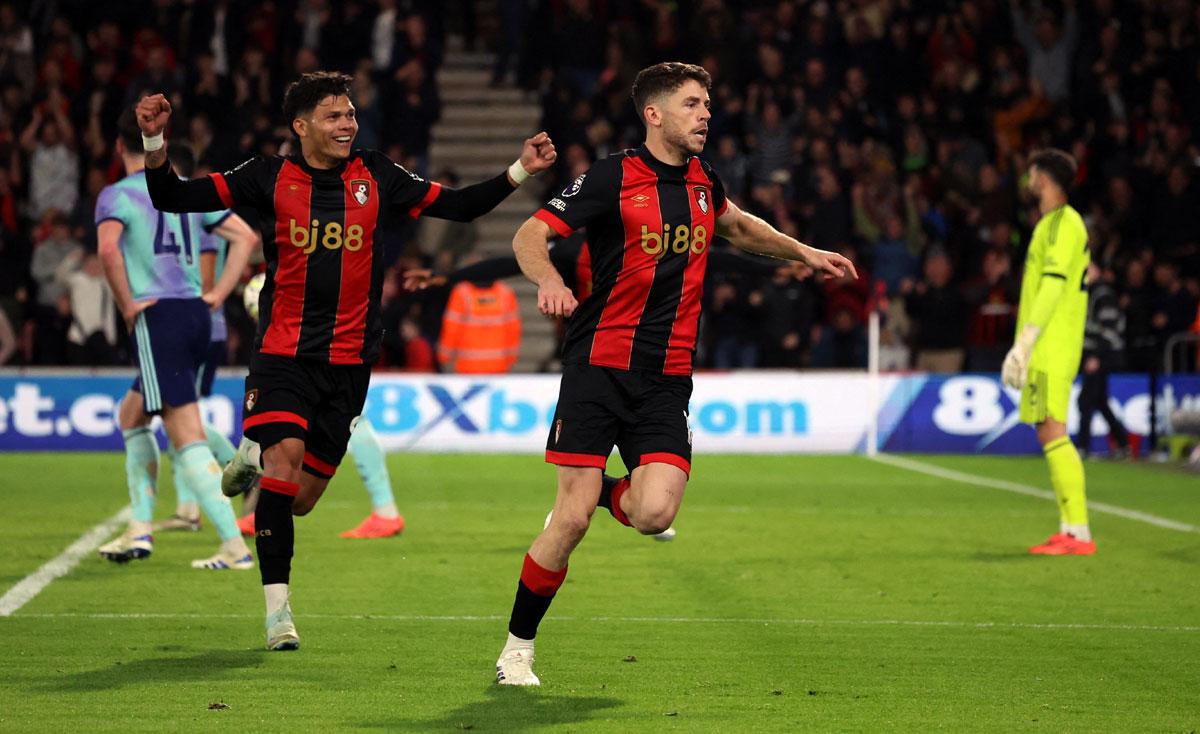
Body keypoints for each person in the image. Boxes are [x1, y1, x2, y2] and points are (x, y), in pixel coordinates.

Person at [136, 70, 557, 651]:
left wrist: (520, 171)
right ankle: (277, 612)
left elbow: (458, 208)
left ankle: (251, 452)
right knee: (285, 467)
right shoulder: (267, 176)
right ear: (301, 125)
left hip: (351, 363)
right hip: (284, 354)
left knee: (301, 501)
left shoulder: (377, 175)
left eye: (351, 115)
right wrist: (155, 144)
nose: (347, 125)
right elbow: (173, 196)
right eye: (333, 116)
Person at [493, 61, 856, 686]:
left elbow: (738, 226)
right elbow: (531, 232)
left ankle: (598, 493)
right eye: (693, 104)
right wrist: (549, 279)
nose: (706, 114)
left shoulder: (703, 180)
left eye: (707, 104)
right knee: (571, 522)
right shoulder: (612, 177)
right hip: (598, 367)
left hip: (666, 377)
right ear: (654, 114)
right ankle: (516, 650)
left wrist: (802, 251)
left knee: (654, 513)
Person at [95, 111, 258, 569]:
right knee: (132, 415)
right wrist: (220, 294)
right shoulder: (184, 188)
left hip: (157, 314)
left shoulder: (117, 195)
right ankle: (140, 530)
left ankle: (233, 544)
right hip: (195, 315)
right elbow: (244, 236)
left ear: (116, 147)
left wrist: (127, 305)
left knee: (184, 431)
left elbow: (109, 250)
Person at [153, 144, 252, 534]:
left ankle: (235, 474)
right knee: (177, 414)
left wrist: (205, 302)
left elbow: (206, 273)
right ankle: (189, 508)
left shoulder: (196, 211)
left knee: (179, 415)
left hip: (198, 324)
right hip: (195, 323)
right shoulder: (188, 211)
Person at [1001, 148, 1094, 556]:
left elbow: (1054, 285)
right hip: (1050, 342)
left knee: (1053, 428)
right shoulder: (1052, 225)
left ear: (1042, 178)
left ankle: (1077, 533)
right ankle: (1071, 528)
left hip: (1052, 343)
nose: (1027, 180)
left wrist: (1027, 341)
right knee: (1047, 429)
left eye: (1030, 173)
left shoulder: (1061, 224)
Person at [1076, 260, 1132, 459]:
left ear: (1097, 270)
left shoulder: (1103, 295)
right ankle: (1124, 444)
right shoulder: (1091, 293)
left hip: (1102, 355)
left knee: (1086, 400)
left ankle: (1082, 447)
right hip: (1096, 354)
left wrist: (1096, 356)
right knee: (1099, 401)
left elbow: (1109, 330)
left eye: (1088, 268)